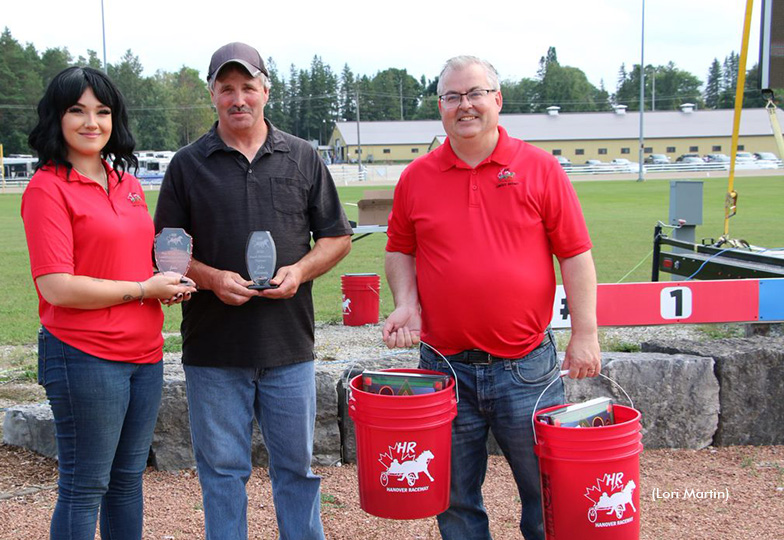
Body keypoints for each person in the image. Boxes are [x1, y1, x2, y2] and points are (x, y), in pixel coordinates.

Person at [382, 55, 601, 540]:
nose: (465, 105)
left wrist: (585, 333)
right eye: (453, 97)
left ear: (497, 101)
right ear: (440, 107)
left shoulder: (540, 168)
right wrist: (406, 301)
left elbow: (576, 254)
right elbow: (400, 249)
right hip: (443, 366)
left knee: (548, 492)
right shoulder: (417, 178)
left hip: (526, 367)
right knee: (455, 499)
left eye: (476, 93)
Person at [154, 42, 352, 540]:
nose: (238, 98)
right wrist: (212, 278)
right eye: (227, 88)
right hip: (213, 349)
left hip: (288, 347)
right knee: (222, 474)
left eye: (248, 87)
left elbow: (336, 238)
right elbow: (167, 253)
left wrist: (301, 271)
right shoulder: (187, 165)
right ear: (213, 95)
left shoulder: (303, 157)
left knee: (298, 472)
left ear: (266, 90)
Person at [21, 66, 196, 540]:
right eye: (76, 110)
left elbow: (134, 264)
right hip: (84, 355)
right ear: (56, 118)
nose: (91, 122)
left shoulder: (129, 184)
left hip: (145, 354)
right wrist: (144, 290)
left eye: (102, 111)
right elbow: (56, 286)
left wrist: (167, 283)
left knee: (125, 482)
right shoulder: (47, 188)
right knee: (85, 485)